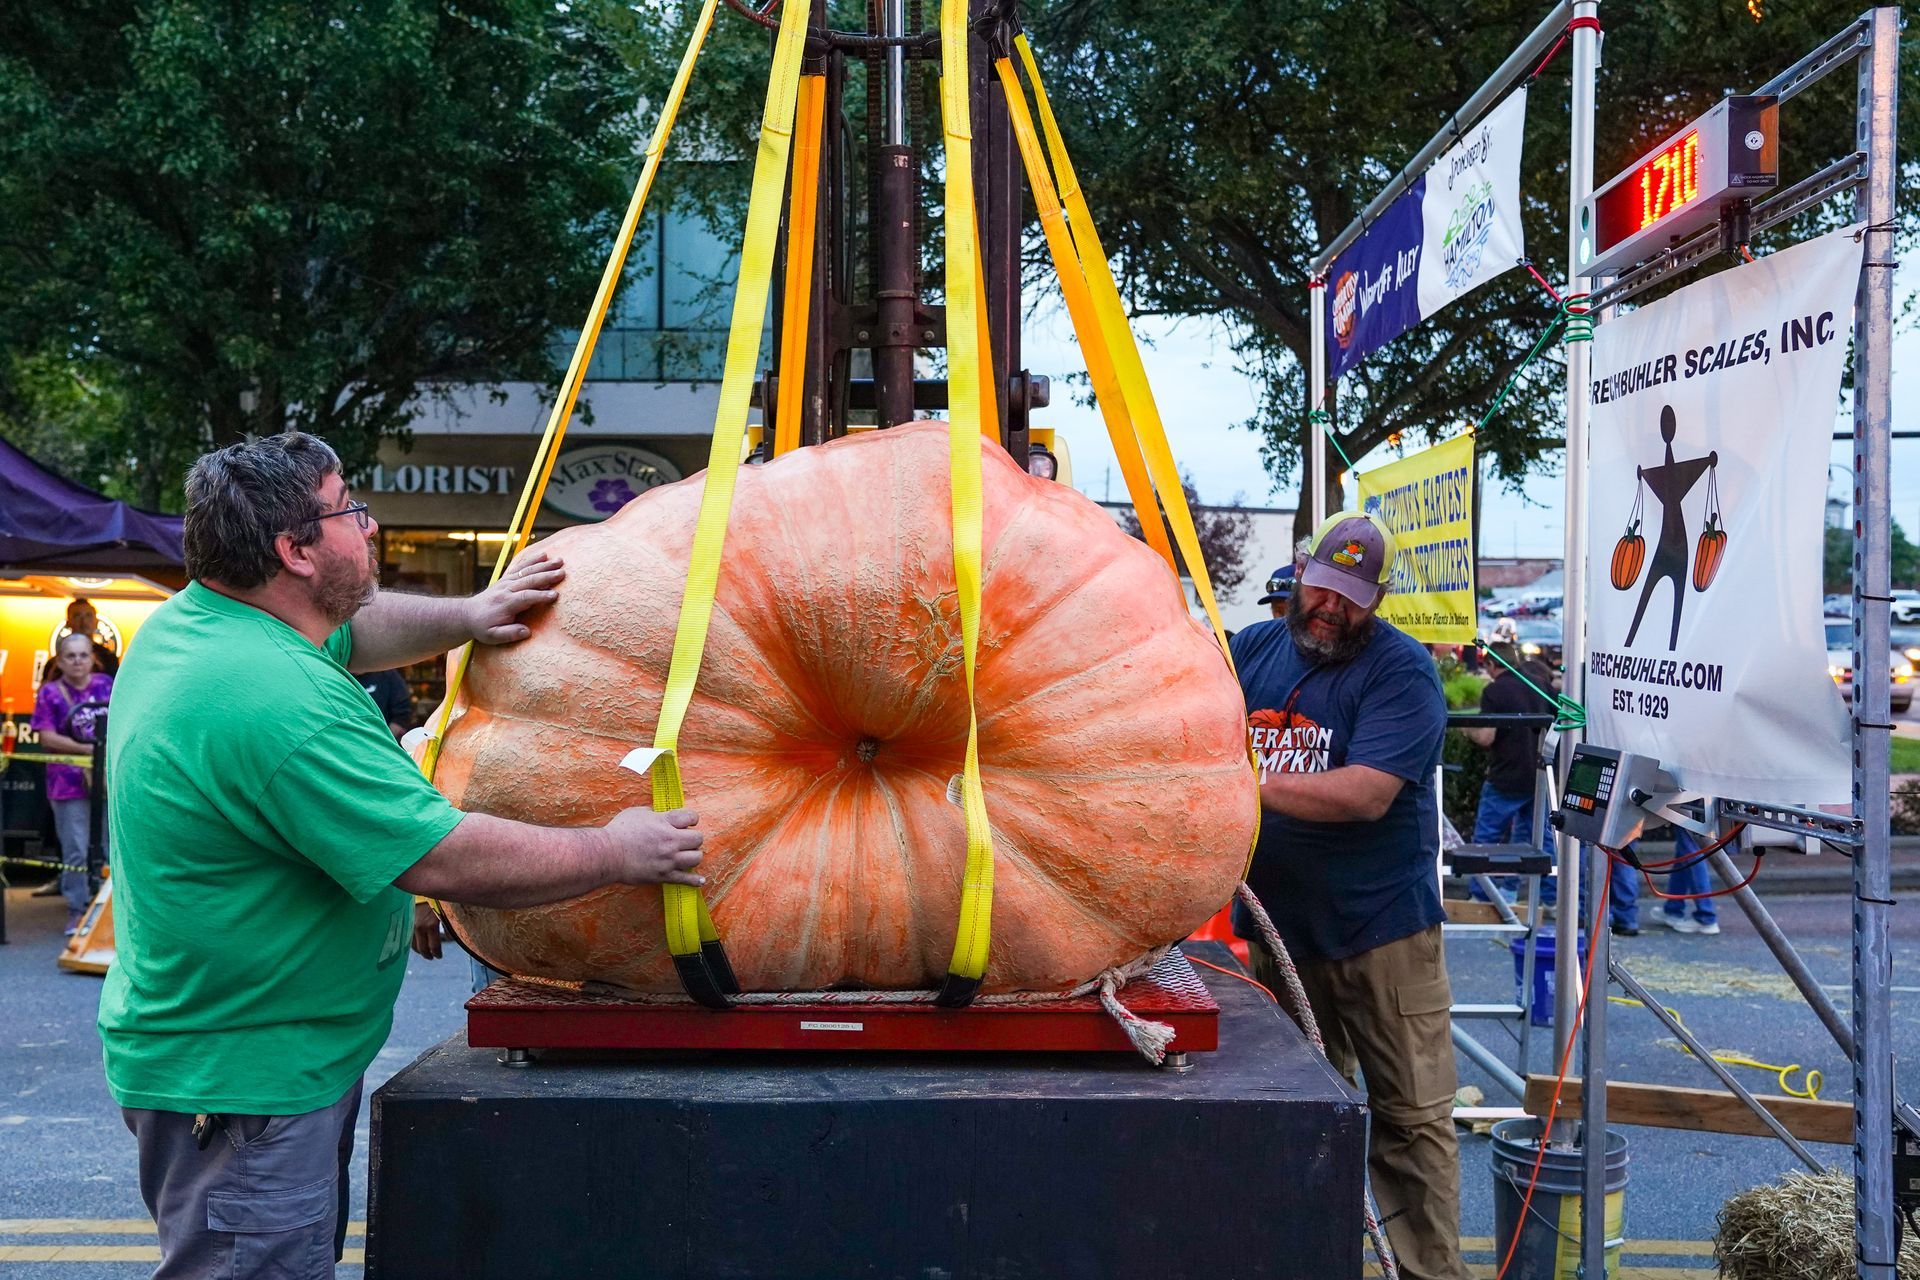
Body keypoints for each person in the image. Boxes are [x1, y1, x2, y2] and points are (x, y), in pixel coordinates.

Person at [102, 432, 709, 1280]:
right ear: (295, 550)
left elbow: (357, 626)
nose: (372, 521)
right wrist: (616, 848)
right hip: (247, 1083)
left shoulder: (215, 623)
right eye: (348, 506)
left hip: (249, 1055)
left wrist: (469, 615)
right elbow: (442, 856)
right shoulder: (275, 701)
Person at [1230, 511, 1466, 1280]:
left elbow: (1367, 794)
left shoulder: (1402, 673)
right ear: (1300, 575)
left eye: (1352, 597)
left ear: (1379, 597)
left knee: (1410, 1122)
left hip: (1381, 935)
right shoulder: (1254, 649)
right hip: (1278, 937)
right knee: (1295, 1121)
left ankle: (1425, 1275)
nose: (1332, 608)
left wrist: (1246, 787)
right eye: (1323, 588)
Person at [1459, 630, 1555, 903]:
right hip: (1539, 775)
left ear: (1491, 665)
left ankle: (1481, 895)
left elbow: (1486, 736)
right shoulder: (1540, 684)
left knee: (1485, 839)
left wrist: (1467, 727)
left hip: (1505, 777)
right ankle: (1548, 898)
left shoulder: (1494, 690)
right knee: (1537, 840)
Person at [31, 632, 114, 934]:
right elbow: (46, 736)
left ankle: (108, 912)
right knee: (76, 850)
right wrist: (91, 749)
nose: (78, 661)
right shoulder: (51, 692)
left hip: (105, 780)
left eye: (83, 655)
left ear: (92, 658)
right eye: (71, 656)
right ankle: (77, 911)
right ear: (61, 661)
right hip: (66, 784)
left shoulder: (107, 686)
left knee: (108, 846)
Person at [1649, 827, 1719, 934]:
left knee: (1691, 851)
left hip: (1688, 812)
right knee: (1684, 853)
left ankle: (1705, 916)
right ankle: (1674, 908)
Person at [40, 597, 121, 682]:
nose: (84, 622)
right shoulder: (56, 663)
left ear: (96, 622)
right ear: (68, 623)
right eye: (77, 616)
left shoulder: (108, 658)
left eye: (88, 616)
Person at [359, 667, 414, 741]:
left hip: (383, 739)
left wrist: (383, 741)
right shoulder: (341, 675)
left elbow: (402, 714)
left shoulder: (387, 674)